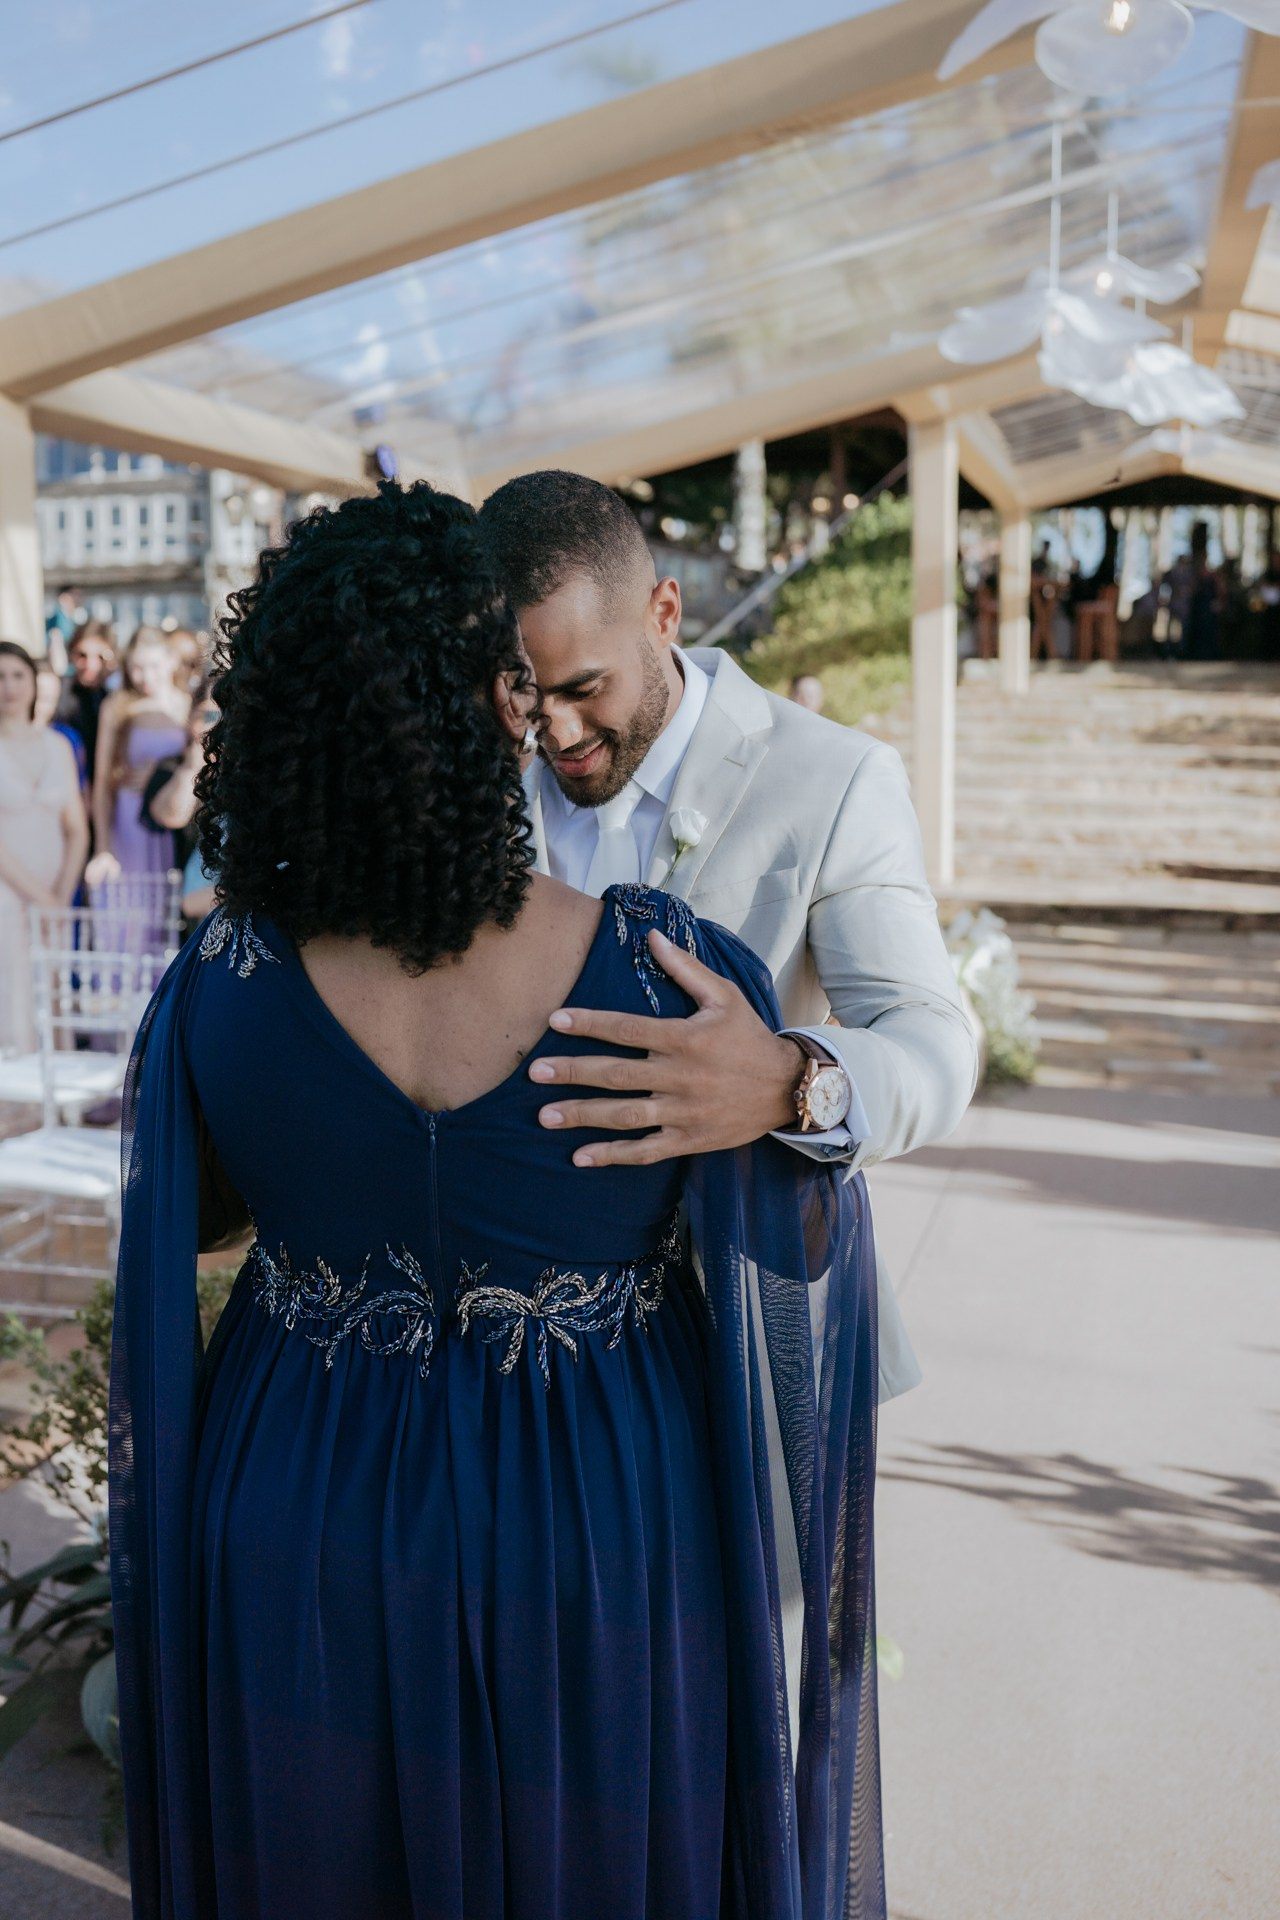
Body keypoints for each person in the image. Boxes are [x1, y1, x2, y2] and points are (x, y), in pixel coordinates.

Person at [110, 482, 883, 1920]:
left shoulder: (216, 997)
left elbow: (199, 1230)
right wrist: (785, 1088)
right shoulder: (672, 977)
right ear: (497, 707)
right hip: (596, 1525)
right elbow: (794, 1253)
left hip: (299, 1509)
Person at [478, 471, 978, 1401]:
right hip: (521, 1361)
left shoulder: (834, 778)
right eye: (525, 696)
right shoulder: (474, 788)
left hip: (747, 1340)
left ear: (665, 613)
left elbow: (934, 1044)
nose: (556, 730)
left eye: (585, 688)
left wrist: (795, 1082)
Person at [0, 642, 89, 1051]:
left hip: (55, 893)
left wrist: (61, 895)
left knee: (50, 994)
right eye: (0, 677)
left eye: (18, 675)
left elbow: (76, 828)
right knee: (11, 992)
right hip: (8, 892)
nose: (9, 686)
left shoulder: (58, 746)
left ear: (34, 683)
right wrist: (40, 898)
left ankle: (53, 1105)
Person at [85, 626, 190, 892]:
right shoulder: (116, 707)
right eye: (136, 668)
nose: (145, 677)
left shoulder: (186, 705)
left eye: (154, 666)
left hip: (172, 819)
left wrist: (162, 772)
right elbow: (102, 781)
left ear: (171, 661)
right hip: (128, 820)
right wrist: (102, 847)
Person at [57, 618, 118, 786]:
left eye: (101, 656)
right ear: (71, 655)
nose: (90, 664)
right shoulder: (57, 692)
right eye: (81, 655)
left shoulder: (115, 698)